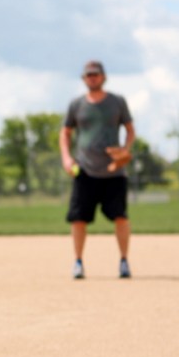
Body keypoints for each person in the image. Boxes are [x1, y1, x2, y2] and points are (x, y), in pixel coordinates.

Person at [59, 60, 135, 280]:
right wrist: (66, 158)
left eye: (96, 74)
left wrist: (125, 150)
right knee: (78, 219)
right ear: (83, 78)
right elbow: (65, 133)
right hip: (85, 169)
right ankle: (78, 262)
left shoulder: (117, 102)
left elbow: (130, 130)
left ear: (103, 77)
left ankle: (123, 261)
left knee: (120, 216)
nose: (92, 77)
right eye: (88, 74)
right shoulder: (76, 104)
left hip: (114, 171)